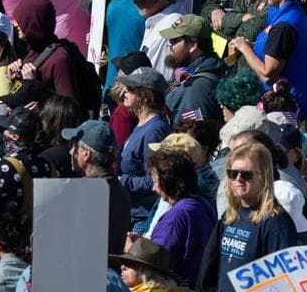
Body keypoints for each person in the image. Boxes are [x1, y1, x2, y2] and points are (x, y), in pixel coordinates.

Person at [199, 142, 297, 290]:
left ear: (263, 176)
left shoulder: (276, 223)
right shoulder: (231, 215)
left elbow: (282, 283)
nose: (238, 179)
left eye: (247, 174)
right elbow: (210, 267)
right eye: (233, 173)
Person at [227, 0, 307, 120]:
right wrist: (252, 46)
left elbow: (268, 75)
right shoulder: (286, 13)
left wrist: (245, 48)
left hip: (286, 110)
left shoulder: (284, 25)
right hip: (286, 103)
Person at [145, 149, 216, 282]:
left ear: (168, 181)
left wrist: (133, 247)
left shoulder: (176, 217)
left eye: (155, 181)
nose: (153, 188)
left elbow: (157, 263)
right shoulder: (200, 204)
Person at [64, 120, 131, 254]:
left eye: (74, 146)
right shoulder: (120, 190)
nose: (71, 152)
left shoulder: (81, 195)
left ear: (86, 153)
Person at [115, 67, 172, 220]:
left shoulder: (155, 130)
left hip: (143, 216)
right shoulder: (143, 124)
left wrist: (122, 181)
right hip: (133, 211)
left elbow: (155, 180)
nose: (125, 92)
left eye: (131, 89)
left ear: (145, 97)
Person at [160, 14, 227, 123]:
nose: (170, 45)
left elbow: (195, 133)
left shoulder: (197, 88)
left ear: (193, 45)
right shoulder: (188, 76)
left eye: (174, 40)